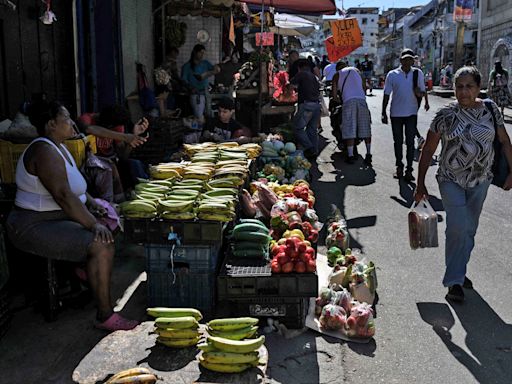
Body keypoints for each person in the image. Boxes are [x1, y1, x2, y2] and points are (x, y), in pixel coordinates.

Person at [6, 100, 138, 331]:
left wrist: (92, 203)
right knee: (101, 242)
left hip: (57, 217)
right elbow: (63, 195)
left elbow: (76, 188)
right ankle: (105, 315)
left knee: (112, 219)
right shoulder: (43, 150)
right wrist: (92, 224)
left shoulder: (59, 146)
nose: (72, 124)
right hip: (33, 225)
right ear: (50, 124)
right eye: (66, 119)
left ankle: (84, 269)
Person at [414, 66, 512, 302]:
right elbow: (428, 149)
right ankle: (454, 281)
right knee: (457, 226)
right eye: (459, 86)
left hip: (482, 180)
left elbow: (504, 140)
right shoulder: (445, 115)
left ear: (479, 88)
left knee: (469, 229)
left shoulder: (491, 110)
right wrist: (420, 184)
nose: (464, 91)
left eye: (469, 86)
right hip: (451, 179)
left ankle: (460, 268)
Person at [382, 48, 430, 182]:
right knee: (397, 142)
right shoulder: (392, 74)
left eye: (411, 59)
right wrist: (383, 113)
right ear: (401, 60)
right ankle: (399, 166)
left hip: (411, 113)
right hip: (396, 114)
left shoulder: (417, 73)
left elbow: (422, 91)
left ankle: (409, 169)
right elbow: (386, 94)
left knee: (410, 143)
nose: (408, 61)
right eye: (406, 59)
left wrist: (420, 94)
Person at [332, 60, 372, 165]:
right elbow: (364, 87)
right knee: (365, 127)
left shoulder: (337, 75)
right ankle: (368, 154)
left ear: (338, 68)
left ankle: (350, 156)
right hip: (361, 101)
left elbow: (334, 95)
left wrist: (342, 99)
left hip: (348, 102)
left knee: (350, 127)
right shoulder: (357, 70)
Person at [289, 59, 321, 160]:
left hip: (307, 105)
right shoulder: (313, 76)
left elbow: (291, 84)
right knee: (312, 129)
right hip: (316, 105)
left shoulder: (302, 74)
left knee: (297, 128)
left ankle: (310, 148)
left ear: (299, 68)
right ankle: (314, 152)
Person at [181, 44, 220, 123]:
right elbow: (183, 81)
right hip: (196, 94)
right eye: (200, 53)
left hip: (206, 92)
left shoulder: (205, 63)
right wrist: (190, 88)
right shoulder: (187, 66)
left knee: (209, 114)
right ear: (195, 52)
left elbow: (215, 69)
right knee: (199, 116)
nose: (202, 55)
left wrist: (216, 68)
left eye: (203, 53)